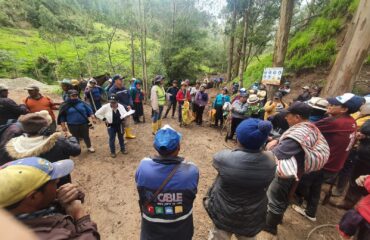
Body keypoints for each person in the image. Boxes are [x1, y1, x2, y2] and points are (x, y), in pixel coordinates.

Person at [260, 102, 330, 239]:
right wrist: (277, 139)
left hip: (286, 173)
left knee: (274, 197)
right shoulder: (309, 127)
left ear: (297, 117)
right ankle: (277, 218)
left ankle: (270, 226)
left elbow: (278, 154)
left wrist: (267, 149)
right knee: (284, 196)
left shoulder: (299, 133)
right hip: (297, 170)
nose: (286, 118)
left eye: (288, 115)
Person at [293, 94, 364, 221]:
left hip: (324, 163)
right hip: (335, 165)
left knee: (302, 180)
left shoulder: (335, 122)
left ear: (344, 109)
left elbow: (307, 127)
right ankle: (311, 212)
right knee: (316, 185)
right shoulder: (351, 121)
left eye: (333, 104)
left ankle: (296, 199)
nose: (329, 106)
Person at [205, 119, 276, 240]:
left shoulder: (224, 157)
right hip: (251, 215)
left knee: (218, 236)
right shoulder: (270, 161)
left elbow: (216, 160)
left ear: (239, 139)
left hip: (223, 211)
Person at [0, 157, 100, 239]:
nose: (58, 180)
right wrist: (80, 216)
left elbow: (46, 203)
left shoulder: (24, 206)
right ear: (34, 196)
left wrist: (65, 198)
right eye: (53, 181)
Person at [135, 125, 199, 240]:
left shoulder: (143, 167)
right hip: (181, 231)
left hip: (151, 231)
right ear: (178, 147)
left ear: (155, 147)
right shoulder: (191, 171)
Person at [3, 111, 81, 185]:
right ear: (45, 129)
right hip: (60, 178)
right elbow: (76, 150)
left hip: (34, 185)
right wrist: (71, 137)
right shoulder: (57, 141)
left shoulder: (14, 145)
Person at [334, 120, 370, 210]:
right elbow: (365, 128)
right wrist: (365, 137)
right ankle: (349, 202)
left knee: (363, 184)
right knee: (355, 181)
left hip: (367, 159)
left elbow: (366, 128)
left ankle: (362, 209)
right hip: (363, 156)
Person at [337, 175, 370, 240]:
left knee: (351, 226)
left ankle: (347, 236)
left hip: (364, 214)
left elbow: (368, 184)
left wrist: (367, 178)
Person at [109, 74, 136, 139]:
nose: (122, 80)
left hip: (127, 109)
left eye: (122, 79)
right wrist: (125, 106)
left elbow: (129, 96)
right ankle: (121, 138)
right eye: (120, 79)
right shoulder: (112, 90)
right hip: (119, 110)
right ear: (115, 81)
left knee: (127, 122)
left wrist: (130, 104)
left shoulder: (124, 88)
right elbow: (114, 102)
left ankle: (128, 134)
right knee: (121, 125)